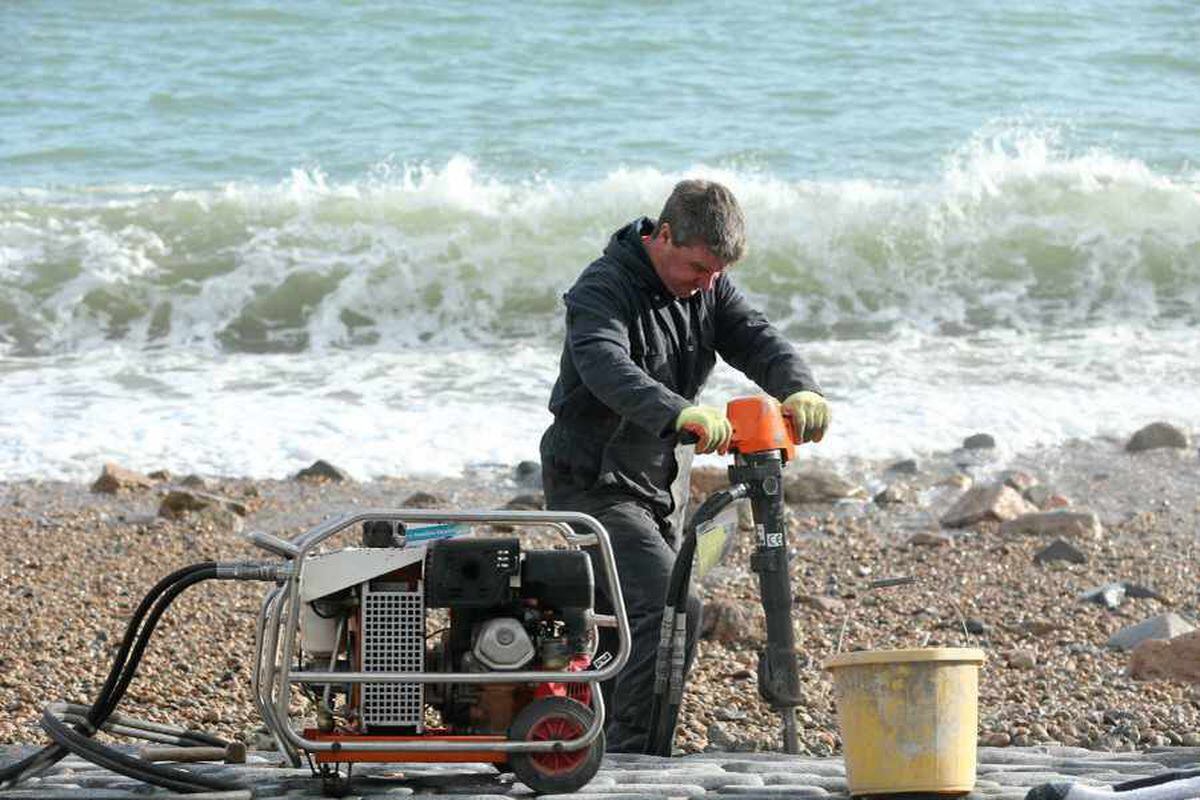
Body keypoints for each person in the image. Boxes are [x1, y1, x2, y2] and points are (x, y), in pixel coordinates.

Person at [539, 179, 830, 753]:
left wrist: (799, 389)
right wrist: (681, 413)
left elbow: (757, 339)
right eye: (699, 267)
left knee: (620, 627)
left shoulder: (709, 288)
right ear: (663, 236)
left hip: (659, 489)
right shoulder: (602, 288)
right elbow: (604, 366)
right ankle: (634, 759)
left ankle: (593, 746)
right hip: (595, 487)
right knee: (672, 609)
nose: (709, 281)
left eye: (718, 272)